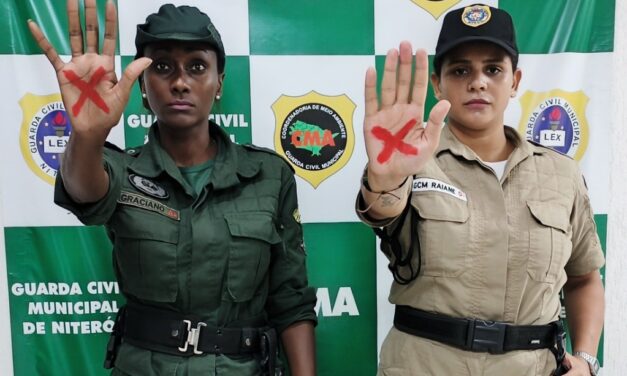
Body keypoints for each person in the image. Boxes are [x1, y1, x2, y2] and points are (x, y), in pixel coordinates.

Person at [28, 1, 317, 375]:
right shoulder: (122, 169)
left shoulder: (268, 175)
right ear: (144, 88)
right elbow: (84, 191)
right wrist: (88, 133)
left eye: (197, 66)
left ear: (219, 83)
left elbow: (291, 300)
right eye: (162, 67)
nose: (180, 82)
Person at [356, 4, 604, 376]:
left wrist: (585, 360)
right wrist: (385, 177)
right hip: (425, 367)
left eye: (493, 69)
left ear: (515, 81)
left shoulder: (560, 174)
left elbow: (584, 278)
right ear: (438, 83)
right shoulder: (410, 159)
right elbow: (381, 211)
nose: (478, 82)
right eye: (460, 70)